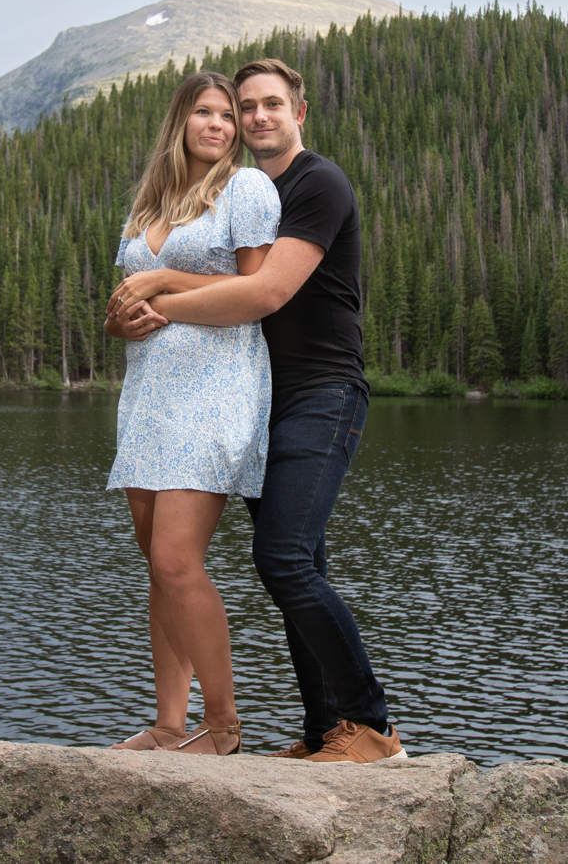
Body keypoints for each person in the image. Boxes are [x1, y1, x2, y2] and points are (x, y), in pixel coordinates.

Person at [110, 57, 402, 765]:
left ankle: (372, 728)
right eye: (246, 106)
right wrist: (130, 316)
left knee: (282, 558)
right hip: (251, 394)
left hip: (320, 391)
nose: (255, 116)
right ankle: (322, 729)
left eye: (272, 104)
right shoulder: (237, 190)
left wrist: (157, 299)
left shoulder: (314, 183)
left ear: (299, 112)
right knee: (299, 563)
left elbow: (263, 291)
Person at [100, 69, 282, 756]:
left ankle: (225, 726)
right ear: (180, 121)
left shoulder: (245, 189)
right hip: (148, 395)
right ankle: (170, 725)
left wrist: (166, 283)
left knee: (178, 560)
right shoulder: (149, 207)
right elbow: (124, 312)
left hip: (216, 388)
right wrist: (120, 324)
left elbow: (255, 288)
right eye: (205, 112)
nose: (220, 125)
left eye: (229, 115)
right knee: (159, 568)